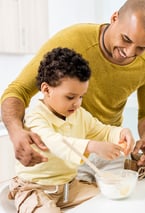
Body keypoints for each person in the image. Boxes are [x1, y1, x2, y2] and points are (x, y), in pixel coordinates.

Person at [1, 0, 145, 183]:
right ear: (114, 18)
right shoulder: (72, 40)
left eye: (142, 47)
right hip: (64, 159)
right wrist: (15, 132)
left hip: (106, 151)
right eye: (126, 39)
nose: (130, 52)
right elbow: (18, 90)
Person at [8, 47, 135, 212]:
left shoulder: (79, 115)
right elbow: (54, 142)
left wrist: (121, 133)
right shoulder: (35, 118)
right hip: (35, 189)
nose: (77, 103)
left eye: (81, 96)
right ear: (46, 90)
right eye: (70, 97)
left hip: (70, 188)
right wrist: (91, 146)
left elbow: (102, 131)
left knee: (107, 201)